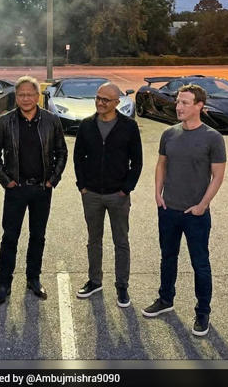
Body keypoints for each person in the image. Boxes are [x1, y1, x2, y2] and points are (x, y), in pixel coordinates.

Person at [143, 84, 226, 337]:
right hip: (168, 209)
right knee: (167, 257)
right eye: (178, 102)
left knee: (200, 264)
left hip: (195, 214)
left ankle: (203, 312)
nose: (178, 107)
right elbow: (161, 165)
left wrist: (203, 205)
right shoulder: (169, 134)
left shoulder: (213, 137)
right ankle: (165, 299)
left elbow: (218, 176)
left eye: (185, 103)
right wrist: (158, 193)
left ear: (199, 106)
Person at [0, 76, 67, 306]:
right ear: (16, 97)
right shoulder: (5, 121)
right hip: (16, 190)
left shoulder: (51, 120)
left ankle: (33, 278)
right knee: (10, 237)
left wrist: (52, 180)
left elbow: (62, 151)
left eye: (30, 94)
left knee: (37, 236)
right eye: (21, 94)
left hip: (42, 189)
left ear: (37, 96)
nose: (25, 99)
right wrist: (6, 181)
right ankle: (4, 283)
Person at [73, 82, 143, 308]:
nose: (100, 103)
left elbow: (137, 162)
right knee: (94, 240)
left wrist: (126, 189)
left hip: (118, 195)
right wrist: (82, 186)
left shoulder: (129, 127)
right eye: (98, 98)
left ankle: (122, 286)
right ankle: (95, 281)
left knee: (121, 241)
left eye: (106, 100)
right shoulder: (86, 125)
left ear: (117, 102)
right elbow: (78, 158)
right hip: (91, 194)